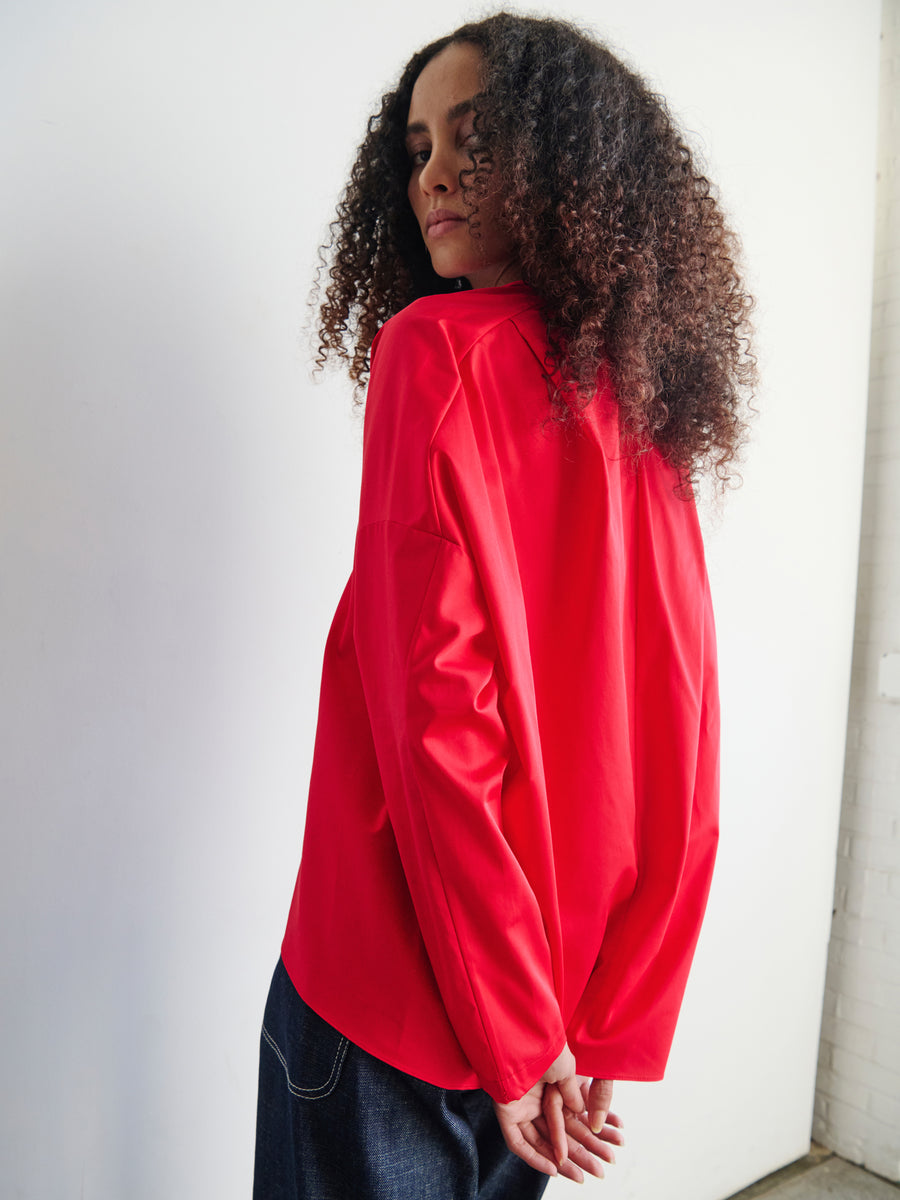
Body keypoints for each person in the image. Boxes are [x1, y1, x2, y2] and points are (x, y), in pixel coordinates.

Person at [253, 11, 754, 1199]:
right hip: (547, 1017)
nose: (431, 174)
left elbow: (440, 734)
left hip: (396, 1006)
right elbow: (684, 742)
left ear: (566, 162)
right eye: (418, 145)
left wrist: (517, 1034)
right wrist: (596, 1023)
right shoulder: (646, 402)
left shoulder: (434, 352)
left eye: (473, 141)